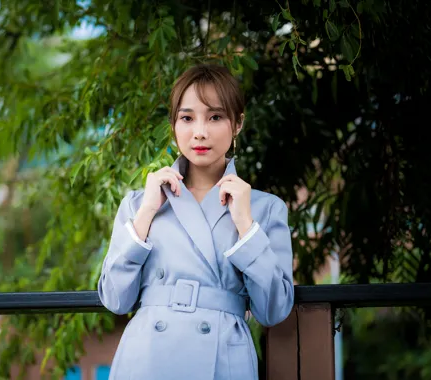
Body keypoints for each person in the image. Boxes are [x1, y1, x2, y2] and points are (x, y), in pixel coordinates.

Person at [97, 64, 294, 380]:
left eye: (215, 117)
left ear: (238, 123)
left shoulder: (265, 208)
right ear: (173, 125)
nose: (200, 131)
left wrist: (245, 225)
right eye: (187, 118)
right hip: (148, 359)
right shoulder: (139, 202)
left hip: (222, 361)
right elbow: (115, 300)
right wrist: (147, 212)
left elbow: (273, 310)